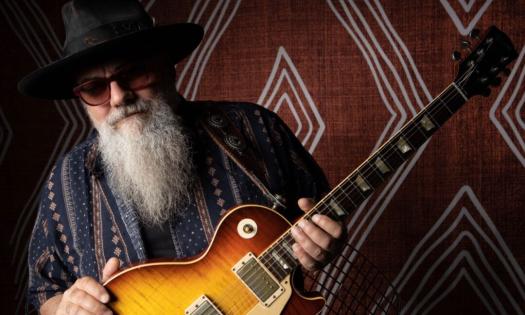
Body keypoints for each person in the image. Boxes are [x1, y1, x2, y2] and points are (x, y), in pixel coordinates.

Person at [19, 0, 344, 314]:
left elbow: (323, 215)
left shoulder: (255, 129)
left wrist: (320, 245)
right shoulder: (67, 179)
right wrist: (66, 308)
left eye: (133, 73)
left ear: (167, 67)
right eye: (93, 88)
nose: (119, 97)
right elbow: (45, 291)